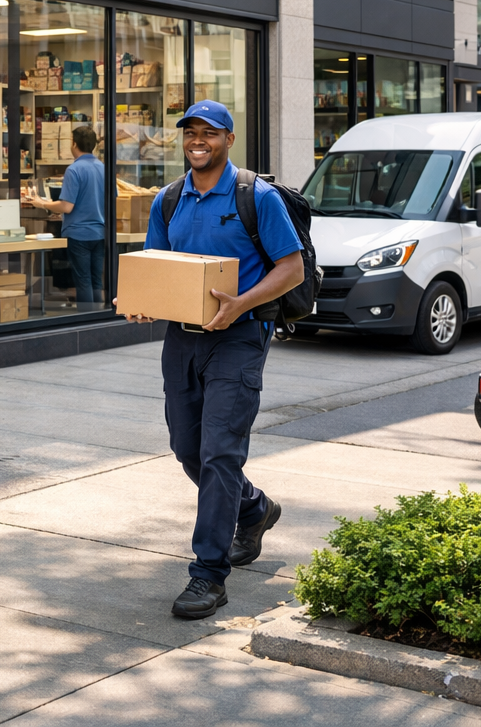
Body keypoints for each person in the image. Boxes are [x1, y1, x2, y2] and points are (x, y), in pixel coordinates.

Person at [119, 100, 304, 619]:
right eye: (191, 132)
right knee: (188, 450)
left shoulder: (256, 197)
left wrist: (240, 304)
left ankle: (208, 575)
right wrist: (143, 303)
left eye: (210, 133)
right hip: (182, 339)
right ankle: (254, 507)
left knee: (220, 452)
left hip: (240, 337)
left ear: (229, 139)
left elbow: (291, 268)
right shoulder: (169, 199)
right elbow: (159, 266)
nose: (198, 141)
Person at [23, 122, 105, 309]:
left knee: (83, 280)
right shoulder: (103, 168)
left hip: (79, 234)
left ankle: (86, 318)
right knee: (96, 279)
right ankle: (99, 317)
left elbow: (66, 206)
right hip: (100, 232)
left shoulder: (74, 170)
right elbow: (110, 200)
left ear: (74, 144)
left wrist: (42, 203)